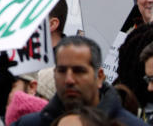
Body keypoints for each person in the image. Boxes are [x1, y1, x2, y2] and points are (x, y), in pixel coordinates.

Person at [14, 36, 144, 126]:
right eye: (62, 71)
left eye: (79, 71)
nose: (69, 80)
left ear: (99, 77)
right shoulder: (28, 124)